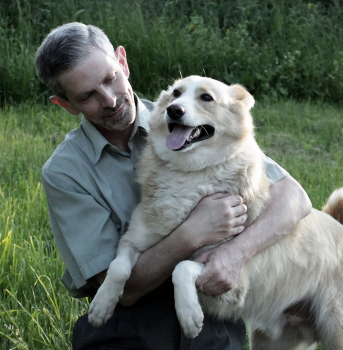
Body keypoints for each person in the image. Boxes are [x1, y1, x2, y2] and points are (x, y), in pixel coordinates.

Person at [35, 22, 312, 350]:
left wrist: (237, 253)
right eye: (87, 96)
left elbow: (294, 197)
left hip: (214, 316)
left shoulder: (191, 115)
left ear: (122, 62)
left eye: (110, 79)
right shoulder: (65, 171)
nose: (109, 100)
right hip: (129, 327)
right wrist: (193, 232)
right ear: (66, 104)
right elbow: (123, 292)